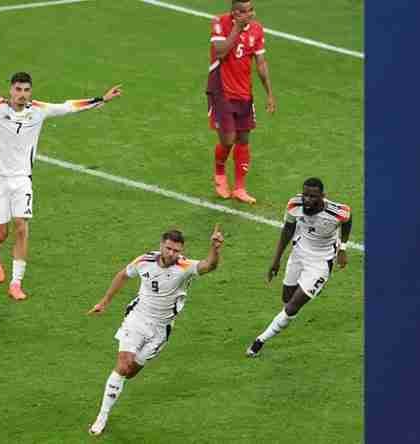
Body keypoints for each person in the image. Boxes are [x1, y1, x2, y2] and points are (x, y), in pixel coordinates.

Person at [0, 67, 122, 300]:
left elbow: (69, 106)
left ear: (30, 92)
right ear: (11, 90)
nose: (22, 94)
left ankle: (16, 283)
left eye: (26, 90)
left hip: (22, 179)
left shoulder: (39, 111)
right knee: (0, 233)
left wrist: (102, 99)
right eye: (18, 89)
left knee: (21, 227)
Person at [85, 225, 224, 435]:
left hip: (160, 330)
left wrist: (215, 249)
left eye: (176, 250)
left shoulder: (184, 267)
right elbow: (123, 275)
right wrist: (104, 302)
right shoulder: (144, 261)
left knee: (130, 372)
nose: (172, 253)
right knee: (123, 366)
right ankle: (101, 417)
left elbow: (209, 265)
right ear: (161, 245)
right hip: (137, 319)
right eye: (169, 248)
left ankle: (114, 391)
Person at [246, 178, 351, 357]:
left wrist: (343, 248)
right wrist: (276, 260)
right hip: (298, 254)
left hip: (320, 262)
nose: (307, 200)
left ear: (322, 196)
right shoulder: (294, 204)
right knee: (287, 299)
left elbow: (348, 219)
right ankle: (297, 303)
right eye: (305, 195)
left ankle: (259, 341)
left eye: (313, 196)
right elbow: (287, 229)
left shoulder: (336, 212)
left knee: (293, 306)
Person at [207, 0, 275, 204]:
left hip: (244, 92)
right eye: (245, 11)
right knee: (228, 140)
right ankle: (220, 173)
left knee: (243, 139)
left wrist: (269, 93)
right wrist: (237, 28)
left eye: (251, 10)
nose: (251, 14)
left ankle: (240, 188)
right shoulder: (220, 22)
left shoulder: (257, 29)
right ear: (235, 12)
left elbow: (261, 63)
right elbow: (220, 52)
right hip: (221, 90)